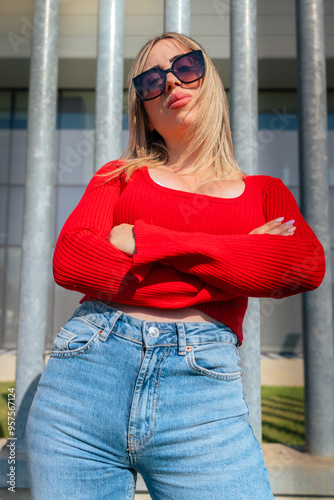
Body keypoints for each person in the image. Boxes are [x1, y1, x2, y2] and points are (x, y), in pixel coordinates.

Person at [25, 32, 326, 500]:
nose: (169, 82)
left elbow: (302, 267)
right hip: (85, 381)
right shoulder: (117, 176)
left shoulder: (266, 192)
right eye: (150, 79)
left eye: (185, 66)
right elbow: (72, 262)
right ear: (142, 106)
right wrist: (239, 254)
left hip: (202, 401)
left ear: (211, 80)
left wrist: (146, 239)